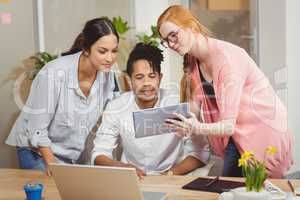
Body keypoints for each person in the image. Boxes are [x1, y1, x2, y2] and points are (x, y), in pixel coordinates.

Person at [157, 5, 293, 178]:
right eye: (165, 41)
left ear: (190, 26)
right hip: (236, 133)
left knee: (254, 190)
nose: (171, 44)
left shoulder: (227, 60)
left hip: (261, 131)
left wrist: (195, 127)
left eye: (173, 35)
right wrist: (180, 120)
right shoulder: (193, 58)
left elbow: (227, 126)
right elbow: (196, 105)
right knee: (234, 190)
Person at [6, 17, 120, 175]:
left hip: (69, 153)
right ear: (86, 49)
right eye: (102, 51)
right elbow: (37, 128)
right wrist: (53, 165)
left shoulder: (108, 76)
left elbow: (115, 111)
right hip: (36, 151)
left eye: (114, 51)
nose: (110, 58)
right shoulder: (54, 73)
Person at [91, 43, 210, 178]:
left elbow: (200, 152)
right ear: (130, 80)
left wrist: (170, 174)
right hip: (132, 180)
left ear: (160, 78)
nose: (146, 83)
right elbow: (99, 153)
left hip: (172, 178)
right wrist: (124, 168)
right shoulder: (116, 107)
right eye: (139, 77)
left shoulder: (178, 102)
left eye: (152, 76)